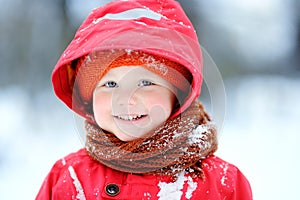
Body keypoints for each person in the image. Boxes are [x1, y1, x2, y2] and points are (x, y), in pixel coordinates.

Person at [36, 0, 252, 199]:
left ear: (178, 95)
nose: (124, 99)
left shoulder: (222, 183)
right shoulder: (66, 179)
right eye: (109, 84)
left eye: (145, 83)